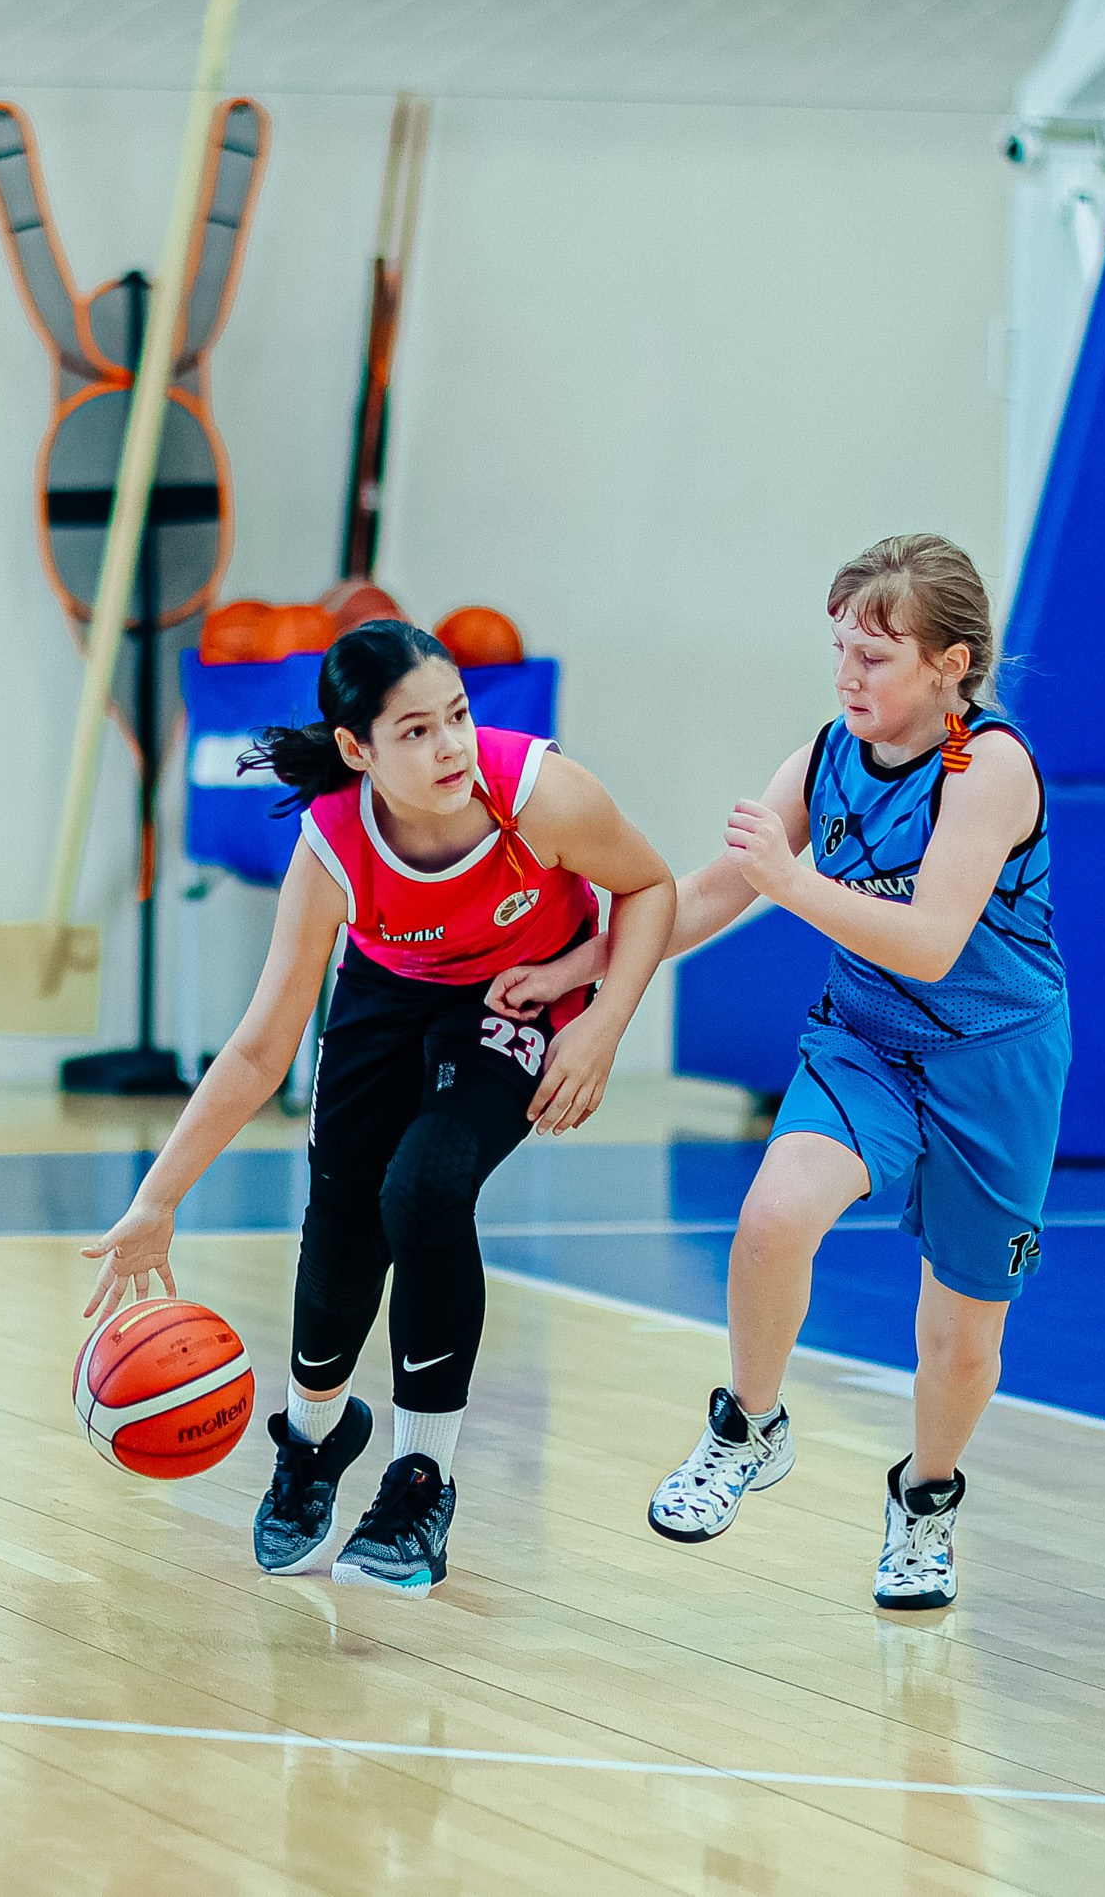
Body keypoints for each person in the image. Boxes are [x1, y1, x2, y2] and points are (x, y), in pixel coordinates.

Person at [490, 534, 1066, 1610]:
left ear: (951, 666)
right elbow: (712, 891)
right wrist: (579, 962)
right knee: (770, 1219)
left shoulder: (988, 767)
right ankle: (748, 1426)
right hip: (869, 1041)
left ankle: (926, 1502)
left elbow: (933, 940)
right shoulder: (824, 754)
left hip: (998, 1061)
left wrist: (792, 883)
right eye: (839, 649)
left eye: (875, 656)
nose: (847, 675)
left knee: (959, 1342)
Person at [82, 620, 675, 1597]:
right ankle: (314, 1439)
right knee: (344, 1211)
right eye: (414, 730)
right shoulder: (333, 850)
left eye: (455, 716)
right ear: (357, 749)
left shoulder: (535, 792)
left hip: (516, 993)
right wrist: (157, 1196)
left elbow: (649, 886)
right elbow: (261, 1045)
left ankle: (419, 1479)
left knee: (426, 1189)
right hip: (388, 993)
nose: (447, 746)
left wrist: (602, 1022)